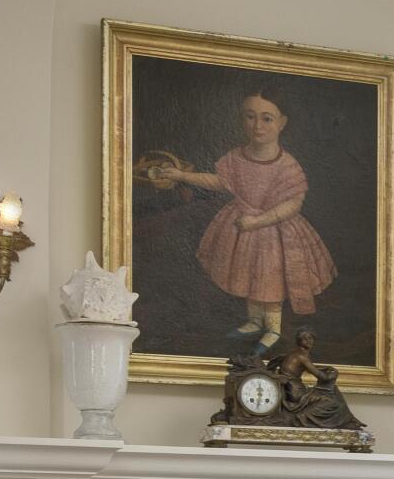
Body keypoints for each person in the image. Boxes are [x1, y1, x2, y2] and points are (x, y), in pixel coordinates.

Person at [139, 86, 337, 343]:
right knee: (249, 274)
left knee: (270, 277)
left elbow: (293, 204)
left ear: (282, 123)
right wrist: (182, 176)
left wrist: (258, 221)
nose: (257, 125)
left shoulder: (287, 165)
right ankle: (255, 321)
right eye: (250, 116)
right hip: (241, 227)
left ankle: (273, 329)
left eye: (267, 118)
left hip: (276, 232)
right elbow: (219, 181)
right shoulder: (236, 157)